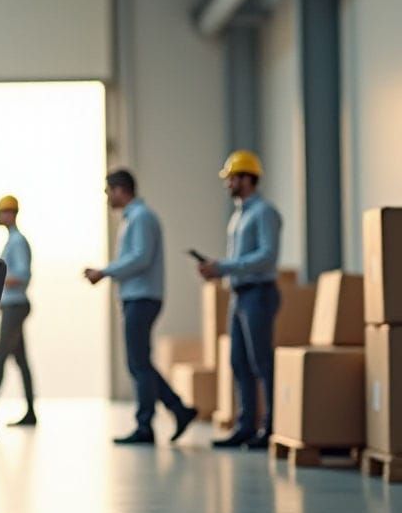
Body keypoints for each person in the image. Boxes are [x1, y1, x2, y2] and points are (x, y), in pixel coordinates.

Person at [83, 170, 197, 445]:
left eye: (108, 191)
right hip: (138, 297)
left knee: (138, 364)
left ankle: (145, 426)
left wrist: (105, 271)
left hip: (142, 298)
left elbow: (140, 258)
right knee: (140, 362)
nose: (107, 197)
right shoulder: (133, 219)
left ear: (121, 190)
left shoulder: (142, 218)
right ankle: (178, 409)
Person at [196, 150, 283, 449]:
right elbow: (240, 260)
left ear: (247, 178)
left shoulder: (264, 213)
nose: (227, 184)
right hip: (240, 295)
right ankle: (246, 426)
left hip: (259, 293)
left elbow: (267, 256)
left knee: (261, 363)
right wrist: (217, 271)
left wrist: (224, 266)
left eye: (231, 178)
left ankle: (270, 427)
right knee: (239, 363)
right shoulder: (239, 216)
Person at [0, 195, 37, 426]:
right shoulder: (13, 241)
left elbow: (23, 275)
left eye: (1, 212)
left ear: (11, 214)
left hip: (15, 307)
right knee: (21, 361)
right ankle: (31, 413)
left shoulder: (17, 242)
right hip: (12, 306)